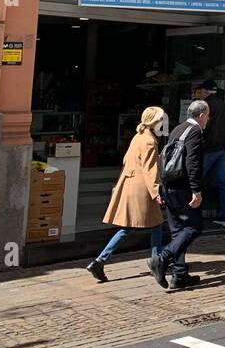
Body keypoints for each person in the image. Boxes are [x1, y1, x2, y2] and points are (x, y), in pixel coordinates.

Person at [86, 107, 168, 283]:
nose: (163, 123)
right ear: (155, 121)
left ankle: (100, 261)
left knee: (127, 227)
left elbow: (126, 161)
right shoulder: (149, 141)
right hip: (142, 188)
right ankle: (156, 260)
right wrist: (156, 191)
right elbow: (149, 169)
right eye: (161, 119)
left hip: (129, 185)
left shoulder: (138, 137)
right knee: (157, 224)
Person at [149, 99, 209, 292]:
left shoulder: (178, 129)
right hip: (183, 188)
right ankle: (162, 259)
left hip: (169, 186)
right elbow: (193, 162)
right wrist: (196, 190)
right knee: (193, 227)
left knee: (178, 232)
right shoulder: (195, 132)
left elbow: (164, 158)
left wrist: (159, 185)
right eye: (207, 116)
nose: (208, 119)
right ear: (201, 116)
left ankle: (180, 275)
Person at [197, 79, 225, 228]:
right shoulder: (223, 105)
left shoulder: (207, 106)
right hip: (222, 148)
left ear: (205, 92)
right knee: (223, 182)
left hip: (209, 148)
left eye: (201, 91)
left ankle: (189, 214)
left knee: (195, 179)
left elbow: (204, 127)